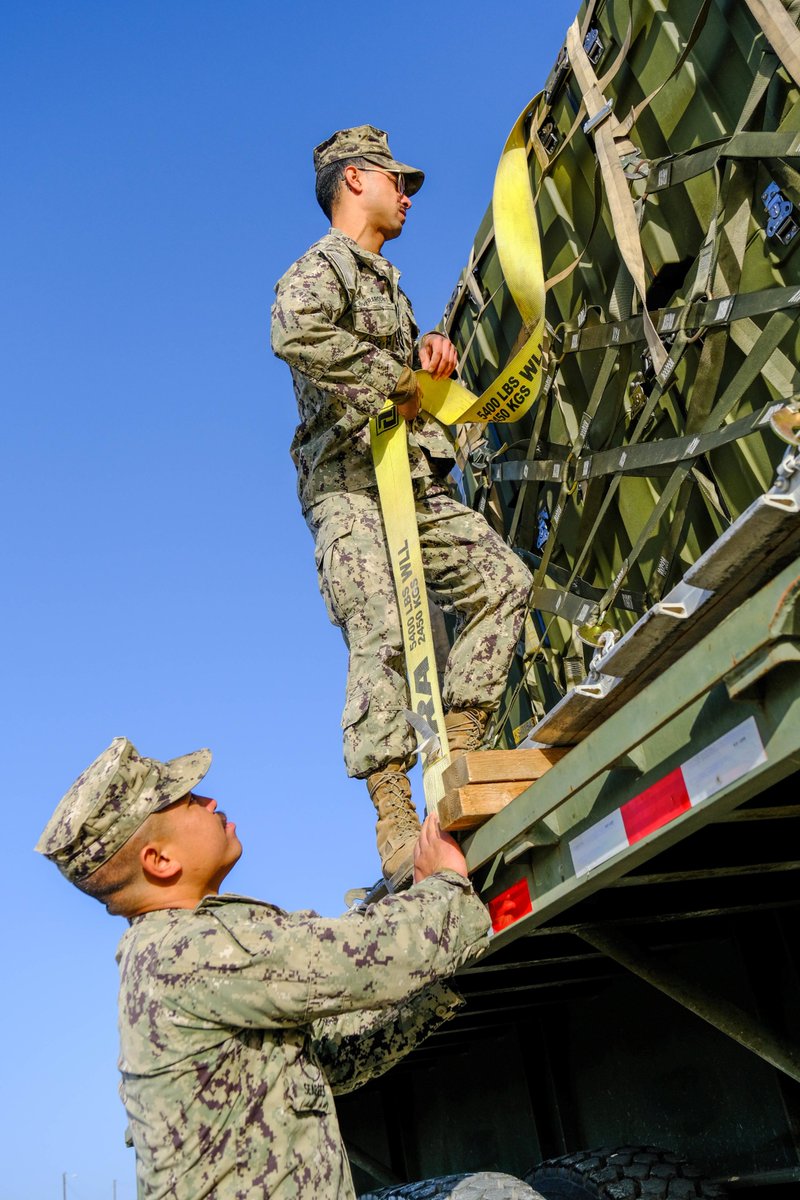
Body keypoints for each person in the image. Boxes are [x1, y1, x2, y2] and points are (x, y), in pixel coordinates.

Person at [35, 736, 491, 1200]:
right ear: (160, 860)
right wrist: (444, 886)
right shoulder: (191, 951)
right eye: (188, 801)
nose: (210, 800)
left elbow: (329, 1057)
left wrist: (437, 980)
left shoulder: (166, 954)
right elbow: (374, 954)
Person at [271, 125, 532, 881]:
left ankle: (463, 748)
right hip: (350, 492)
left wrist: (425, 352)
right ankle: (395, 814)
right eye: (398, 180)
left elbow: (398, 374)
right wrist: (397, 382)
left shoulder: (385, 279)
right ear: (355, 180)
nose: (408, 195)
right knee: (381, 631)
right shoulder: (324, 266)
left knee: (501, 582)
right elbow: (295, 330)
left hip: (411, 485)